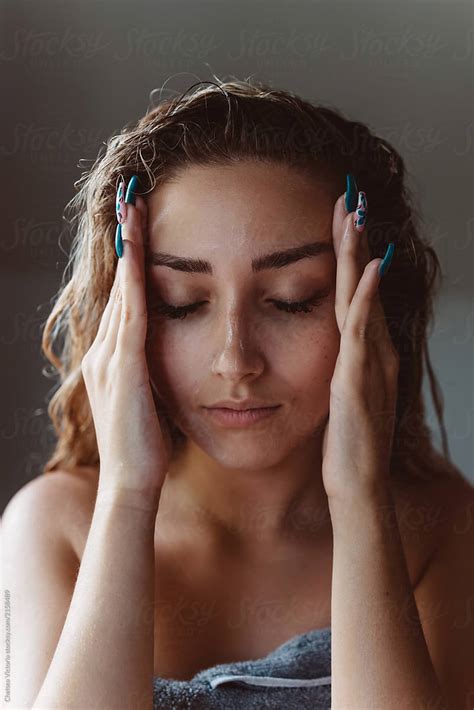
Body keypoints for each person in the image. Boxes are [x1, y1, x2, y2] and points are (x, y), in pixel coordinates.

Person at [2, 78, 472, 709]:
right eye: (181, 304)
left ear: (372, 306)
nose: (235, 361)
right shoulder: (57, 524)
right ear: (127, 316)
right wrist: (128, 497)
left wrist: (361, 500)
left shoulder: (443, 528)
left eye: (292, 299)